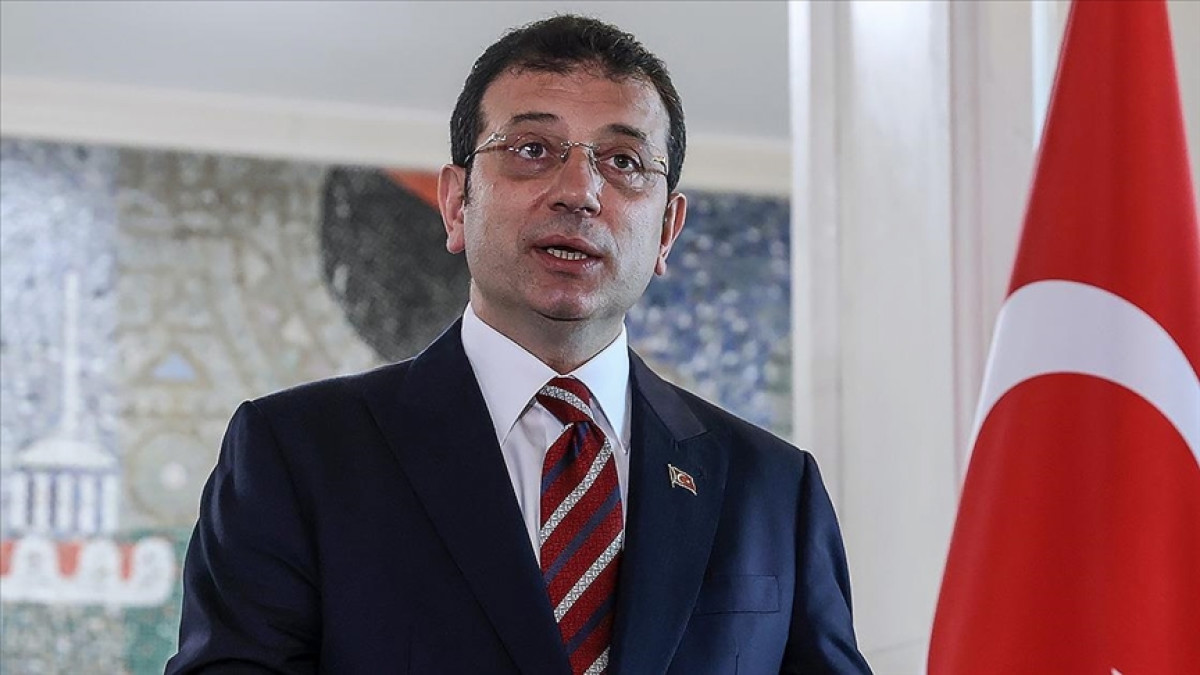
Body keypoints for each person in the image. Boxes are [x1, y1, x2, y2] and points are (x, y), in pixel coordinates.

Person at [167, 15, 871, 675]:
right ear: (456, 203)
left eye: (624, 160)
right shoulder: (297, 454)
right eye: (532, 150)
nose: (579, 192)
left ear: (666, 231)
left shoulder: (773, 489)